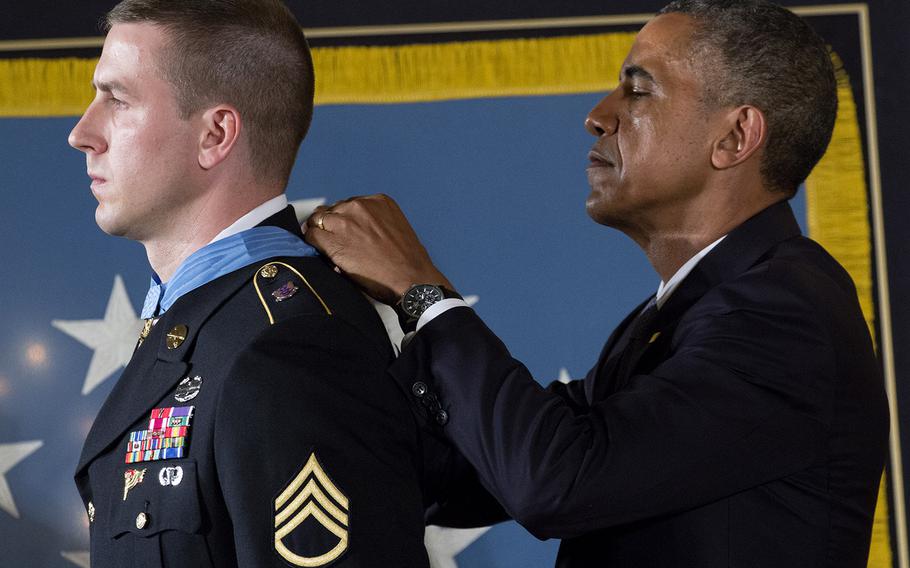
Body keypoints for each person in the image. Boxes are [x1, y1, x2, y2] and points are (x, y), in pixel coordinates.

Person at [303, 0, 890, 566]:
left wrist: (420, 292)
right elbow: (473, 472)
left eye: (638, 90)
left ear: (735, 138)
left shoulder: (784, 316)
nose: (598, 115)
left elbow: (557, 480)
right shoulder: (679, 315)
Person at [68, 1, 452, 566]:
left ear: (215, 134)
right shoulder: (211, 320)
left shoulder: (291, 345)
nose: (83, 133)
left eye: (118, 100)